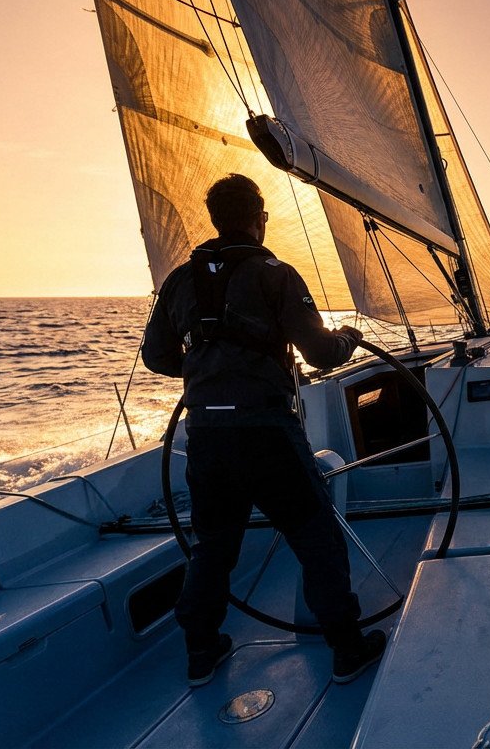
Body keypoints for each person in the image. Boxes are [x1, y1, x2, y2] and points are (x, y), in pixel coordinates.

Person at [142, 173, 386, 687]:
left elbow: (158, 357)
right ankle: (347, 649)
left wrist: (208, 370)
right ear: (259, 220)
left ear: (215, 219)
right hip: (267, 435)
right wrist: (349, 338)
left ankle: (201, 652)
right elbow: (319, 352)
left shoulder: (179, 282)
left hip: (206, 437)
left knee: (214, 545)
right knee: (315, 536)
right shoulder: (275, 274)